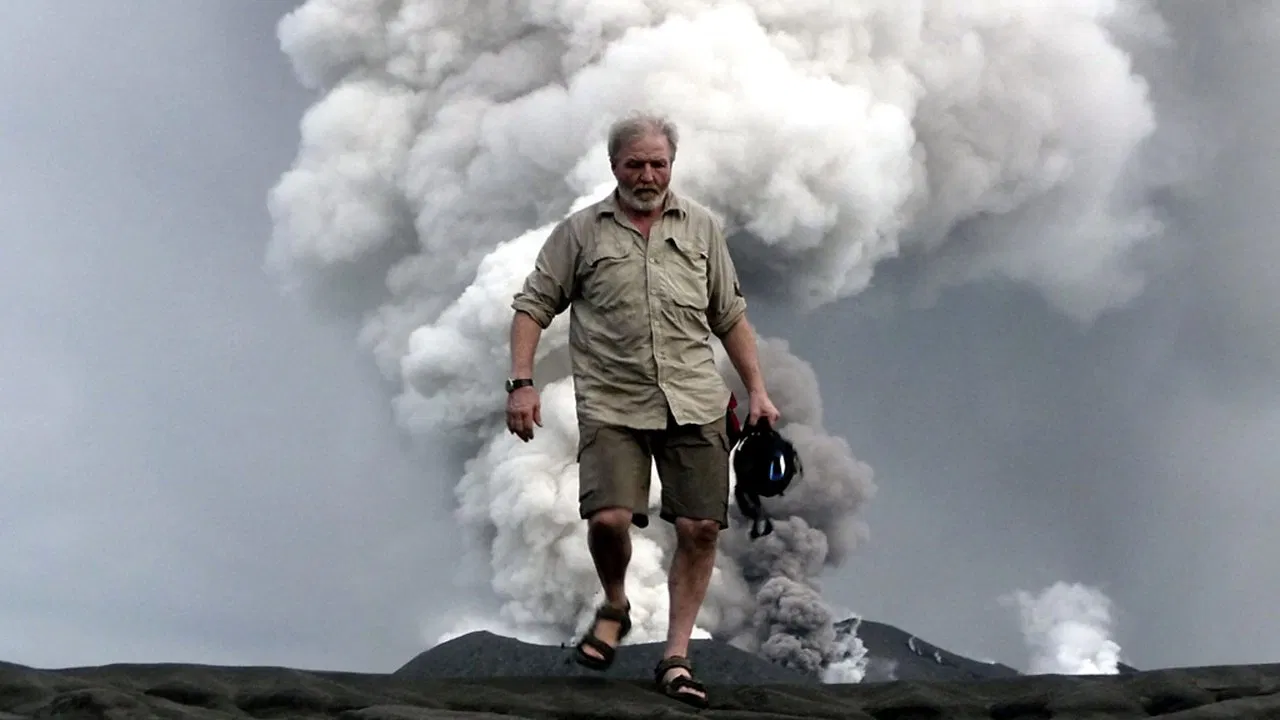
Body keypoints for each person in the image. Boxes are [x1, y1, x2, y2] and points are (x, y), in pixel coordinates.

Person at [504, 111, 780, 708]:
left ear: (672, 166)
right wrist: (521, 384)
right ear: (614, 167)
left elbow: (729, 315)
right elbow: (532, 306)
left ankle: (676, 658)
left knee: (700, 527)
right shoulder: (580, 233)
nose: (648, 175)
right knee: (607, 519)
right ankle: (616, 603)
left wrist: (757, 390)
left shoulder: (702, 228)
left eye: (658, 163)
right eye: (636, 164)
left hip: (695, 401)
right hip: (613, 403)